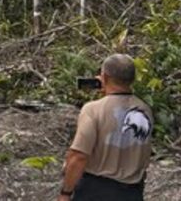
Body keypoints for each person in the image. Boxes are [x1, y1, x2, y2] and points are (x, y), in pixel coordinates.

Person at [58, 53, 153, 201]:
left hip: (96, 191)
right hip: (133, 192)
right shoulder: (145, 110)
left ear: (105, 77)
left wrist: (65, 193)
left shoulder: (93, 110)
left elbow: (79, 156)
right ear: (132, 79)